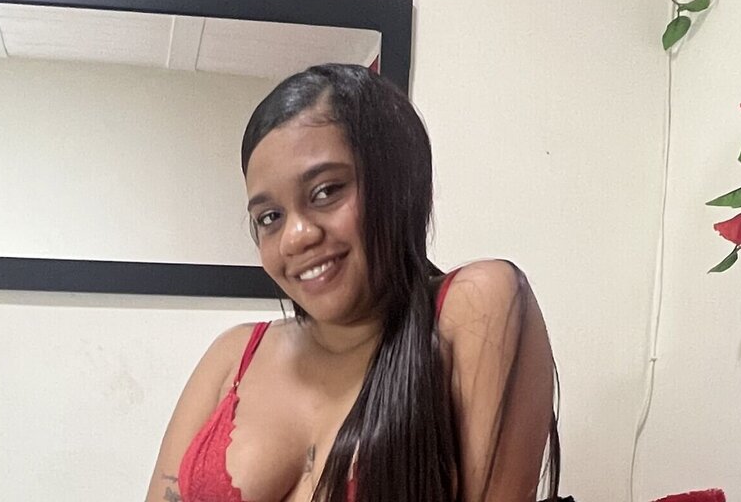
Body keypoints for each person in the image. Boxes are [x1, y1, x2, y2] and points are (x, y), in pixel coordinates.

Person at [145, 64, 560, 502]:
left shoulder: (475, 307)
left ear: (395, 184)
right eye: (270, 217)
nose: (295, 237)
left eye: (326, 191)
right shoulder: (233, 355)